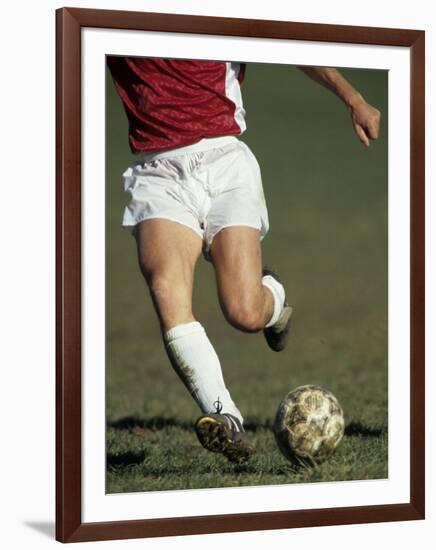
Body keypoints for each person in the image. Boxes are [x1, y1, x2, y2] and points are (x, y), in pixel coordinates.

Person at [107, 57, 381, 464]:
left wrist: (352, 97)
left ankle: (273, 293)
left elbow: (288, 39)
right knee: (167, 290)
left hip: (224, 160)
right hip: (157, 171)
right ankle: (226, 418)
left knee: (244, 310)